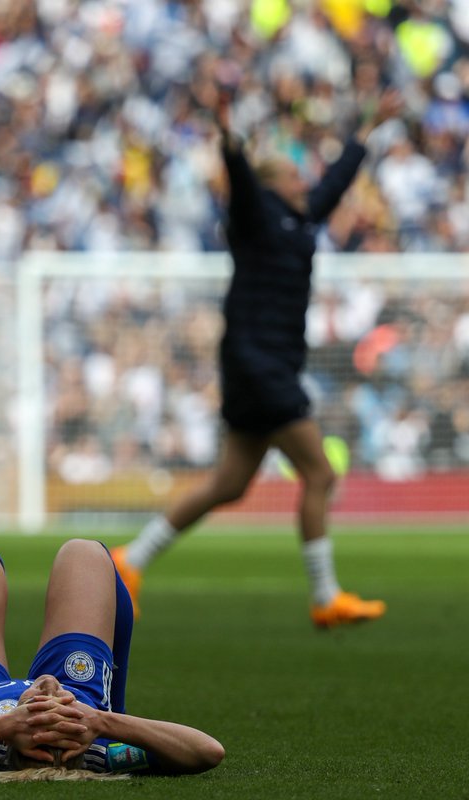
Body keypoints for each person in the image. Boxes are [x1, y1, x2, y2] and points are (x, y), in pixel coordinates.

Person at [113, 89, 404, 629]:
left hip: (261, 365)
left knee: (230, 483)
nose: (304, 183)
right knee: (319, 472)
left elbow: (334, 185)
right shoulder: (256, 217)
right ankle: (325, 596)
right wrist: (230, 141)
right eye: (294, 177)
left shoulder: (298, 219)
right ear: (273, 186)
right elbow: (241, 184)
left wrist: (370, 127)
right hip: (258, 365)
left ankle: (130, 560)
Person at [0, 540, 224, 780]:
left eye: (42, 702)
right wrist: (104, 721)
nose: (48, 684)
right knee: (83, 552)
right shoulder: (98, 746)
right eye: (59, 701)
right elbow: (208, 750)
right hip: (85, 693)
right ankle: (107, 703)